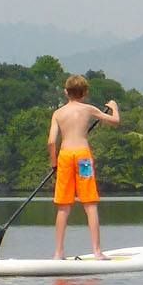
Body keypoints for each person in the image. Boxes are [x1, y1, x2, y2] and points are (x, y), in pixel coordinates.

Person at [48, 74, 120, 259]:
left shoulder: (58, 113)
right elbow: (115, 121)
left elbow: (51, 142)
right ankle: (97, 251)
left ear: (66, 92)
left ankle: (58, 252)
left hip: (64, 157)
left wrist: (53, 163)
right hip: (83, 158)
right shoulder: (89, 109)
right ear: (85, 93)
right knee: (90, 204)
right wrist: (114, 108)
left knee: (63, 206)